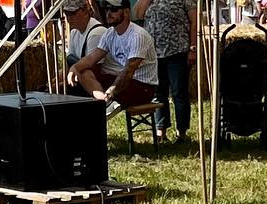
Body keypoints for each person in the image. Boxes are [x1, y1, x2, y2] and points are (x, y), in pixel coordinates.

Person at [68, 0, 156, 111]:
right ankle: (104, 102)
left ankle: (105, 103)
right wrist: (74, 68)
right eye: (106, 9)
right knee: (83, 72)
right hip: (124, 80)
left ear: (126, 12)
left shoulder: (138, 36)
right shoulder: (110, 33)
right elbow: (91, 58)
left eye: (114, 9)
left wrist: (112, 91)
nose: (109, 13)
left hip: (142, 87)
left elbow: (128, 72)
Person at [132, 0, 192, 141]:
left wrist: (193, 48)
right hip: (154, 53)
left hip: (177, 51)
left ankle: (181, 132)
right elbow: (138, 14)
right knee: (158, 93)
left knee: (179, 93)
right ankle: (161, 130)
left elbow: (194, 20)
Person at [61, 0, 105, 73]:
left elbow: (94, 71)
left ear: (85, 12)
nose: (69, 18)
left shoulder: (96, 33)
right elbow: (69, 63)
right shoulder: (74, 32)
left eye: (73, 13)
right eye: (66, 14)